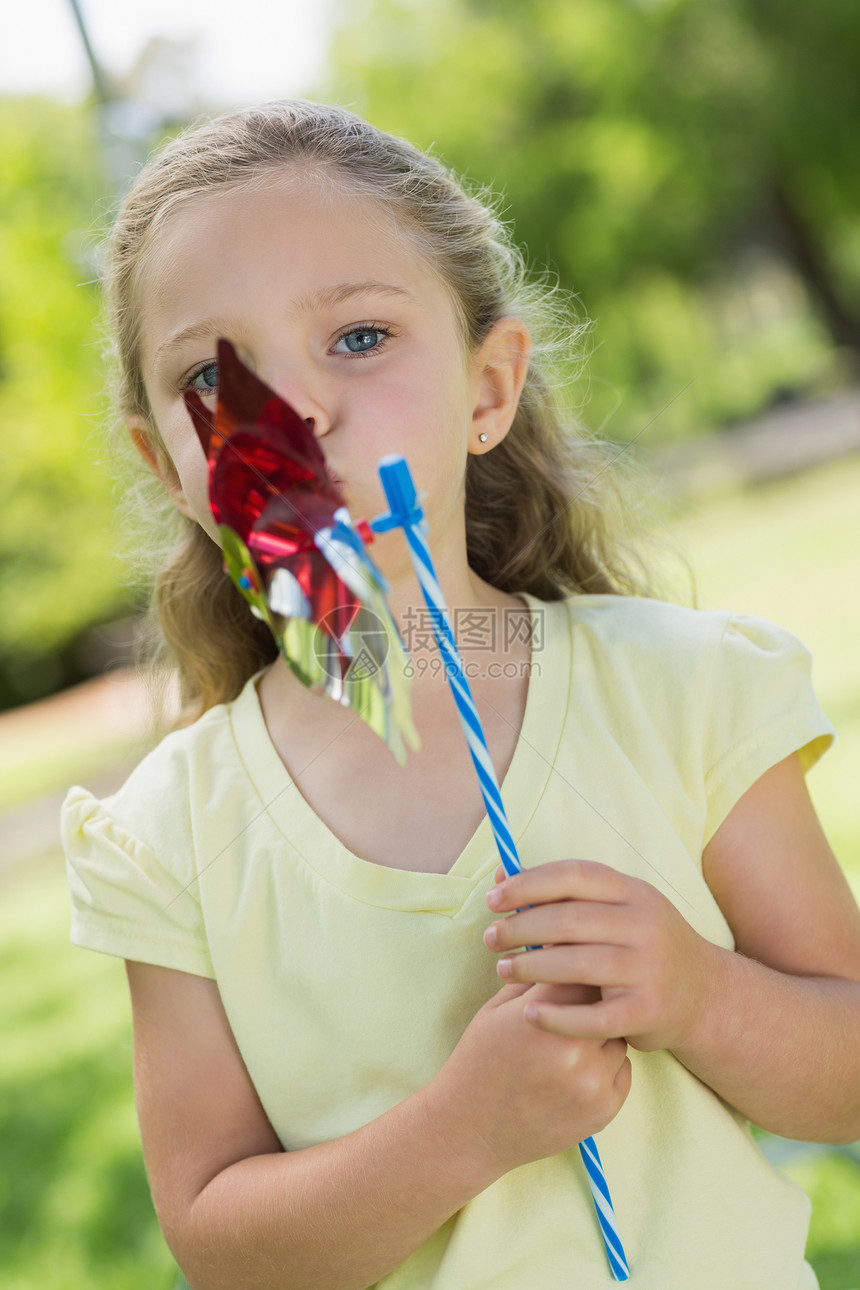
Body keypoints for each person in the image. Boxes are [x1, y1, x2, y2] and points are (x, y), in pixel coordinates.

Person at [61, 100, 860, 1290]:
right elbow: (221, 1247)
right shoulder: (174, 836)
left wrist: (696, 995)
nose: (297, 415)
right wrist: (463, 1130)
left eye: (359, 339)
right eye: (212, 379)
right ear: (169, 464)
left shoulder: (680, 690)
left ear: (487, 389)